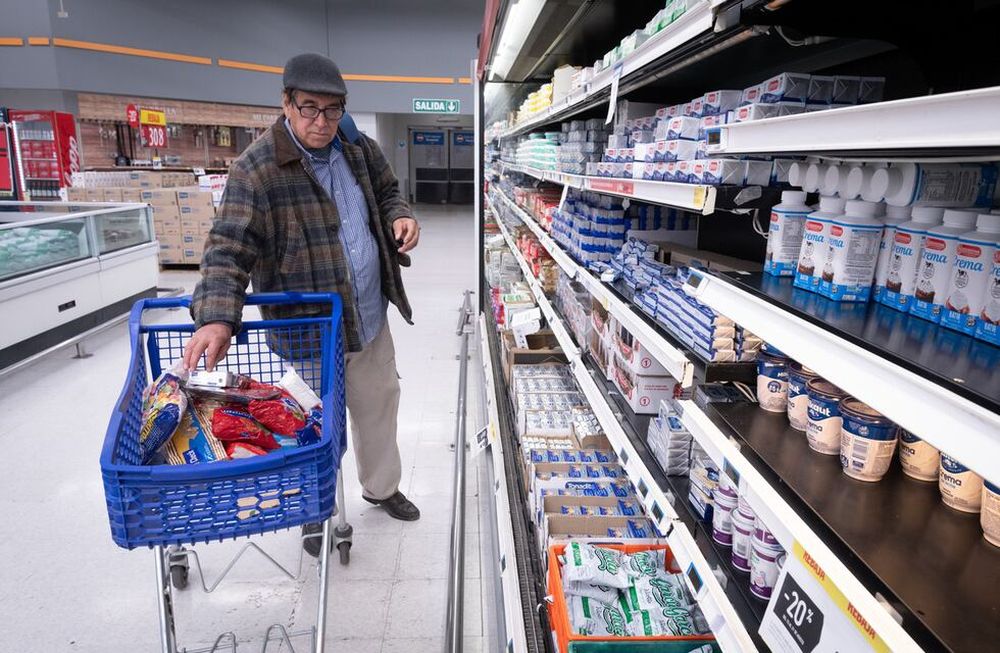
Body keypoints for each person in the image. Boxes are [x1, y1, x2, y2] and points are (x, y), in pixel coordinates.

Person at [183, 53, 422, 544]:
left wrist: (401, 215)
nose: (321, 122)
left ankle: (381, 488)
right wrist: (215, 317)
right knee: (313, 422)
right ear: (286, 104)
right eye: (309, 108)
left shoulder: (356, 147)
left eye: (332, 110)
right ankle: (315, 504)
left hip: (369, 317)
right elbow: (228, 246)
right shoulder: (258, 169)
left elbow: (387, 190)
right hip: (308, 328)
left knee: (379, 404)